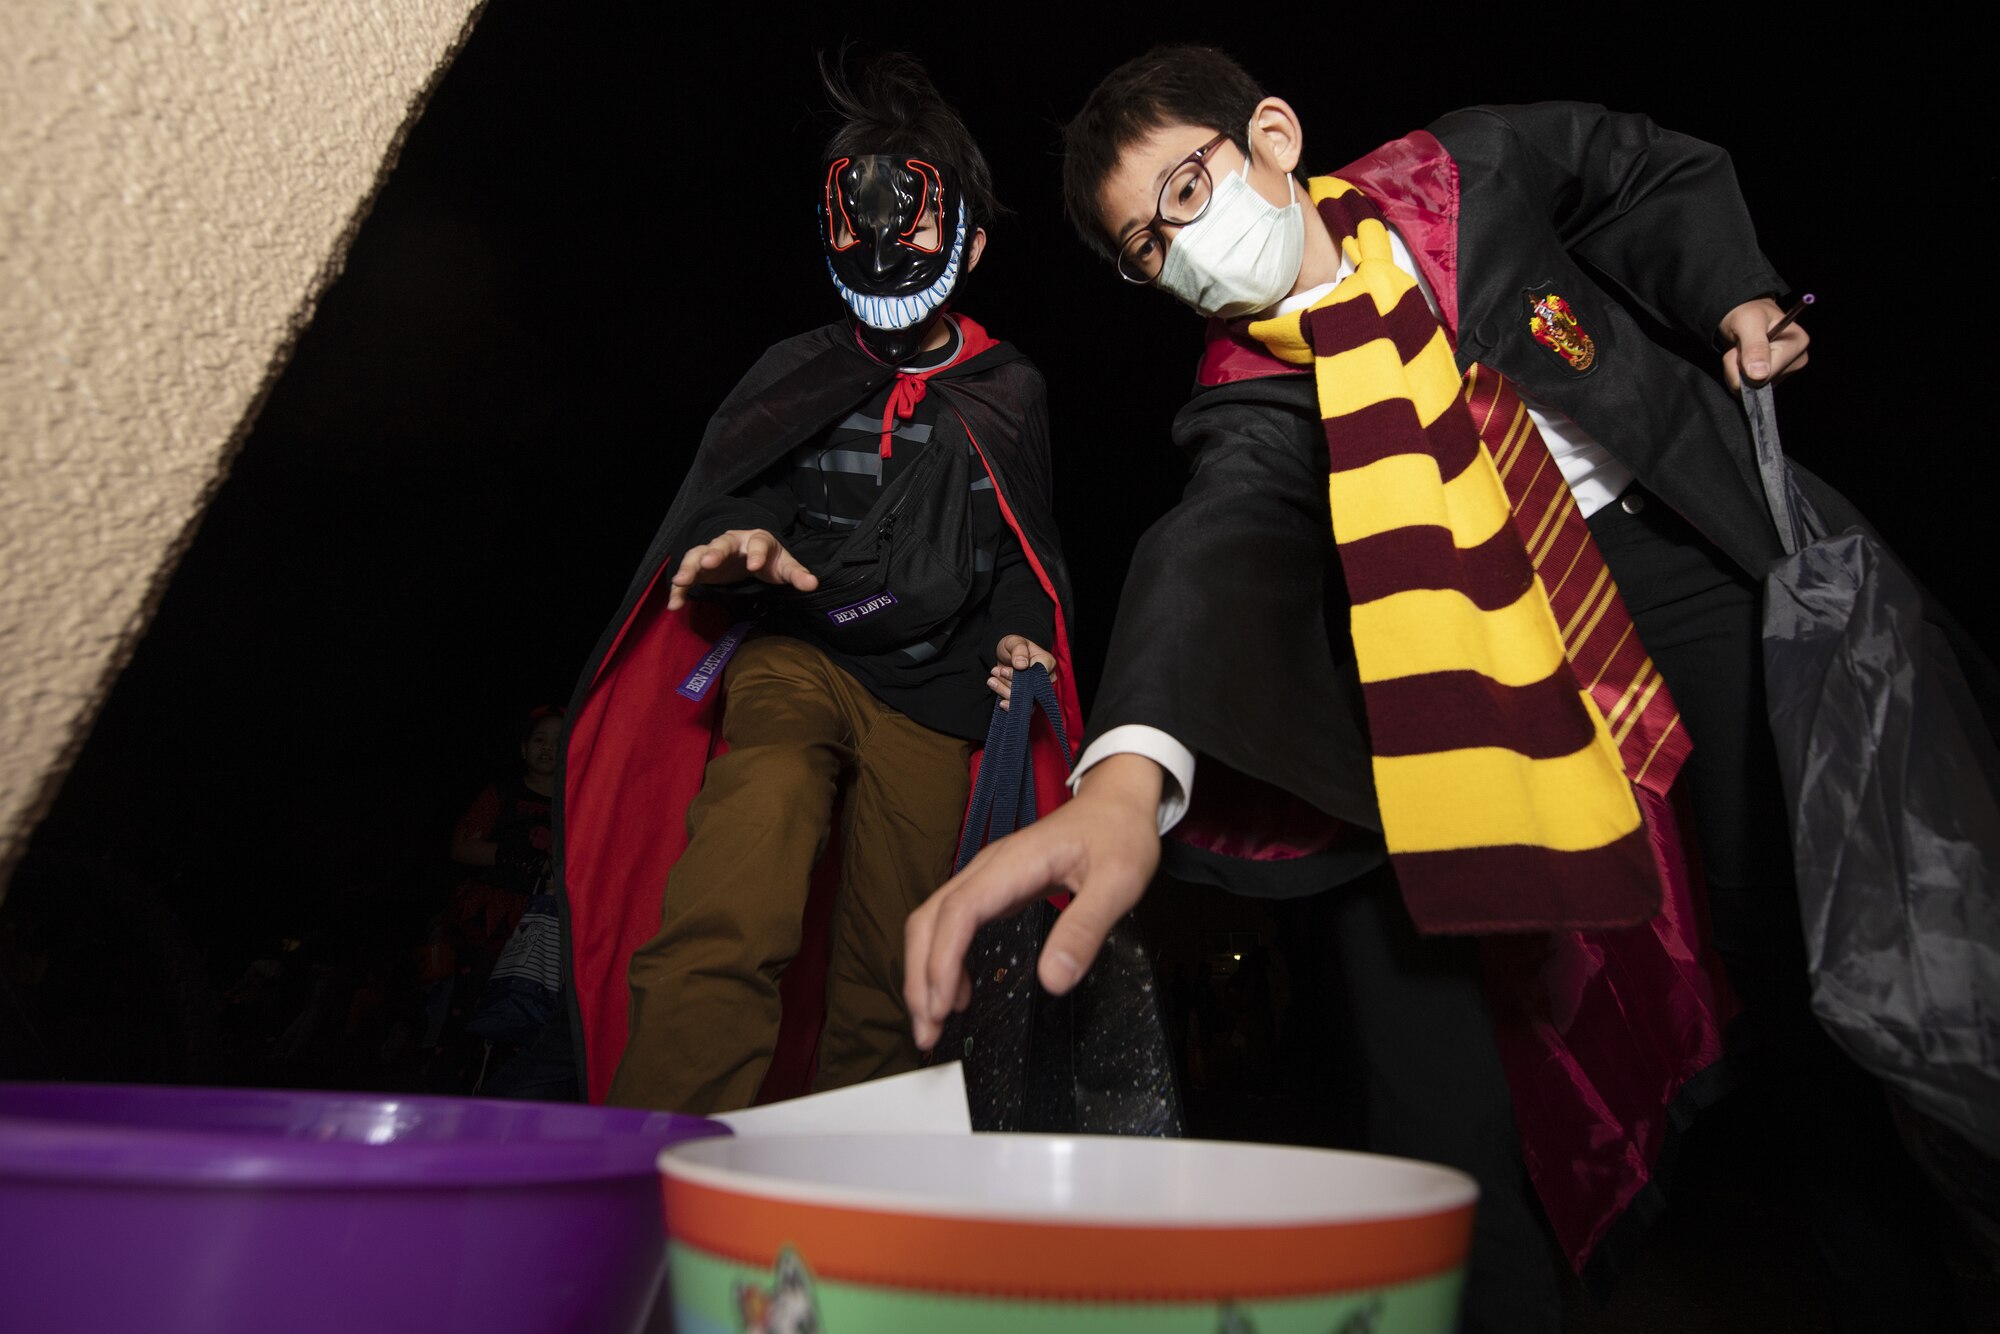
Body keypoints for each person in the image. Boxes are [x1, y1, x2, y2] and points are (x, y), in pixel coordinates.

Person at [905, 46, 1957, 1333]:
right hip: (1492, 641)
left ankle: (1906, 1265)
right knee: (1470, 1037)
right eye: (1141, 247)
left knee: (1799, 925)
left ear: (1273, 138)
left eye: (1185, 192)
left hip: (1657, 542)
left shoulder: (1455, 174)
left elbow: (1633, 164)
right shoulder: (1246, 394)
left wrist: (1732, 292)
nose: (1180, 252)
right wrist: (1127, 771)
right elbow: (1211, 544)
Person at [558, 53, 1081, 1116]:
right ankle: (657, 1146)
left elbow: (1023, 550)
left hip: (933, 697)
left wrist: (1023, 637)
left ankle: (848, 1194)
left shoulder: (1006, 389)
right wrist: (738, 538)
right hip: (801, 656)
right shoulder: (799, 365)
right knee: (750, 843)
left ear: (969, 242)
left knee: (904, 958)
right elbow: (748, 488)